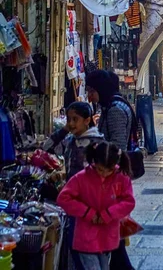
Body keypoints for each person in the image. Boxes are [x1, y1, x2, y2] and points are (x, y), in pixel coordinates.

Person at [43, 101, 104, 270]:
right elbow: (46, 148)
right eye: (69, 119)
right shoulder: (71, 141)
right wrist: (63, 131)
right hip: (74, 206)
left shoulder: (97, 143)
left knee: (88, 253)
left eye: (75, 119)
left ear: (87, 120)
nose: (71, 123)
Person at [86, 70, 137, 270]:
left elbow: (116, 147)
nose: (90, 96)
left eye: (92, 91)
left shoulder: (115, 110)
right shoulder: (112, 106)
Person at [57, 141, 135, 270]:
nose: (104, 174)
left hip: (108, 236)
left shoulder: (121, 177)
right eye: (100, 169)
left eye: (108, 170)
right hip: (85, 237)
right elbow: (63, 198)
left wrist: (109, 214)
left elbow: (129, 202)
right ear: (94, 161)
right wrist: (88, 212)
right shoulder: (81, 178)